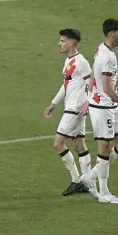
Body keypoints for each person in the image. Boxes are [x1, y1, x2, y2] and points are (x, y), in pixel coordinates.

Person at [80, 19, 118, 204]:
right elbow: (107, 89)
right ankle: (104, 193)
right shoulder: (107, 58)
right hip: (102, 108)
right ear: (111, 34)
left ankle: (90, 176)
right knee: (104, 149)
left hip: (109, 106)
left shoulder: (103, 50)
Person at [43, 29, 95, 197]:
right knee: (79, 144)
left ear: (72, 43)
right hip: (74, 108)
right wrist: (53, 103)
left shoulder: (82, 62)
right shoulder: (68, 61)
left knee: (58, 144)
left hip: (75, 109)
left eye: (63, 40)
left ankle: (77, 180)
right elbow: (66, 86)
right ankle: (87, 182)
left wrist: (88, 103)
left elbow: (92, 84)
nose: (60, 43)